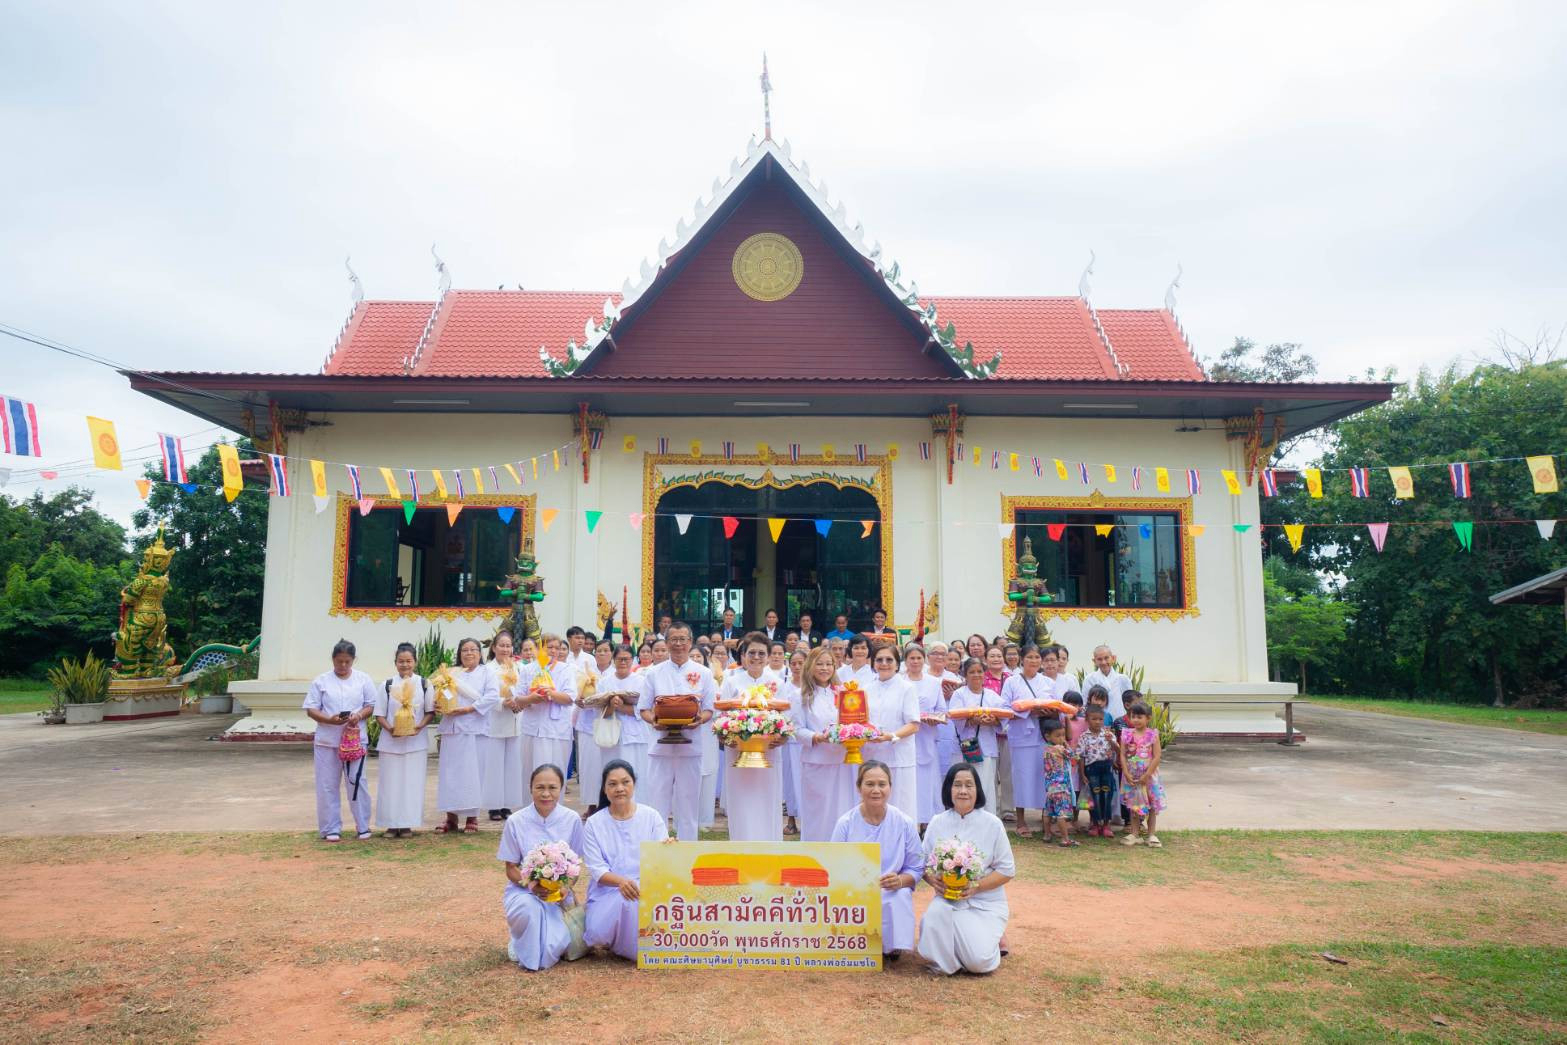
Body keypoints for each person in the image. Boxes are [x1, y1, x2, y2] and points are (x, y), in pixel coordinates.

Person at [917, 763, 1015, 976]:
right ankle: (951, 958)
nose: (963, 791)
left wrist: (976, 886)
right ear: (948, 790)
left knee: (978, 963)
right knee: (935, 917)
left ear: (977, 790)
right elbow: (922, 862)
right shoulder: (937, 822)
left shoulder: (992, 824)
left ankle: (991, 940)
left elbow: (1007, 870)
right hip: (948, 900)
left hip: (985, 904)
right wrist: (933, 880)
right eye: (957, 785)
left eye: (969, 785)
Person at [830, 761, 923, 961]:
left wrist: (899, 880)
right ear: (858, 787)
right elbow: (834, 864)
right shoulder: (845, 824)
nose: (876, 790)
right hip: (854, 889)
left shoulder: (904, 823)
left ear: (890, 787)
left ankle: (893, 947)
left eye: (882, 784)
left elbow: (916, 867)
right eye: (869, 784)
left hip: (891, 887)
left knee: (899, 895)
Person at [498, 764, 585, 971]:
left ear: (561, 789)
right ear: (530, 788)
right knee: (530, 910)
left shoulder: (572, 819)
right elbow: (510, 867)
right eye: (540, 787)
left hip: (559, 895)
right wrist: (532, 885)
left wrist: (564, 887)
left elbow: (576, 866)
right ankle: (520, 940)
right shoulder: (516, 821)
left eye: (553, 788)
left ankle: (528, 941)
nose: (546, 794)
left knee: (558, 943)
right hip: (524, 891)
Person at [582, 759, 668, 960]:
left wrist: (670, 848)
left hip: (647, 886)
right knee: (597, 930)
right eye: (612, 784)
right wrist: (621, 882)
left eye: (625, 782)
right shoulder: (594, 823)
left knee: (631, 902)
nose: (619, 788)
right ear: (604, 789)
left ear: (634, 784)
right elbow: (597, 869)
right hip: (607, 891)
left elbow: (660, 857)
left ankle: (632, 947)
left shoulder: (651, 816)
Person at [637, 623, 716, 840]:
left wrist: (699, 720)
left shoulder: (704, 673)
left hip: (691, 747)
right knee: (657, 803)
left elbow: (710, 709)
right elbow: (643, 708)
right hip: (660, 747)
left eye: (683, 639)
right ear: (667, 642)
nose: (679, 644)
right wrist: (655, 721)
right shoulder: (653, 673)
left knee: (689, 803)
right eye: (674, 639)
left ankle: (687, 852)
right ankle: (656, 849)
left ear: (690, 642)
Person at [303, 639, 378, 842]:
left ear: (353, 660)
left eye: (347, 662)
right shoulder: (321, 681)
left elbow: (371, 705)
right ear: (333, 659)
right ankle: (330, 828)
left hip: (355, 739)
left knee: (357, 782)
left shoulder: (363, 679)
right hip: (327, 740)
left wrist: (358, 716)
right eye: (339, 662)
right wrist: (329, 720)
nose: (343, 666)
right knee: (327, 785)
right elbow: (311, 709)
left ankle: (363, 825)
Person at [719, 633, 786, 841]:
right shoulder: (732, 682)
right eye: (751, 653)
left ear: (768, 657)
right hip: (738, 753)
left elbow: (786, 717)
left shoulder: (776, 683)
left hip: (769, 753)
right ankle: (741, 846)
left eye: (761, 653)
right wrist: (726, 736)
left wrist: (781, 737)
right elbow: (721, 717)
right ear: (743, 655)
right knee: (742, 802)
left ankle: (770, 850)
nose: (756, 657)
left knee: (767, 801)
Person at [791, 645, 857, 841]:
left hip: (842, 760)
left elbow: (853, 720)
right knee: (818, 811)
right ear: (810, 666)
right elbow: (796, 729)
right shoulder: (800, 695)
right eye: (819, 664)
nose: (825, 668)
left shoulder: (844, 693)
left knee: (842, 809)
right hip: (816, 761)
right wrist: (817, 737)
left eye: (829, 664)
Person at [436, 637, 500, 834]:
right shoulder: (451, 673)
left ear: (480, 654)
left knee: (473, 775)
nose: (469, 653)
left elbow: (492, 696)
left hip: (475, 730)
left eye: (473, 649)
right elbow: (442, 693)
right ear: (459, 653)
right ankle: (451, 818)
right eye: (465, 650)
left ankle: (472, 818)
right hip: (453, 729)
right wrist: (441, 704)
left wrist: (467, 710)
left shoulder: (487, 673)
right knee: (451, 775)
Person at [374, 641, 435, 838]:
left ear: (415, 662)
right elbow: (379, 714)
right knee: (390, 784)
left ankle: (407, 823)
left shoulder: (424, 684)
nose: (405, 665)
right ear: (395, 663)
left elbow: (430, 712)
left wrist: (418, 726)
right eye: (401, 661)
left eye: (408, 661)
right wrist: (390, 728)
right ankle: (391, 824)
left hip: (415, 743)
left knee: (412, 783)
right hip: (391, 743)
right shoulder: (387, 685)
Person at [862, 644, 921, 821]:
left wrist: (892, 736)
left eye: (889, 660)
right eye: (879, 660)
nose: (884, 663)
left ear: (897, 664)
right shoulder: (865, 689)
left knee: (901, 808)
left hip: (899, 757)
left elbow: (914, 724)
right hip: (872, 755)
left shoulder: (907, 688)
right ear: (873, 663)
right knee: (874, 807)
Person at [518, 634, 576, 799]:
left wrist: (550, 694)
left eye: (557, 648)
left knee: (556, 771)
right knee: (531, 771)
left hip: (557, 730)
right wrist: (532, 698)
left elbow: (570, 697)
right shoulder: (528, 669)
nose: (553, 651)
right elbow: (518, 698)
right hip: (533, 729)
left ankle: (556, 810)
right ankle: (530, 810)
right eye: (549, 647)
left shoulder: (566, 669)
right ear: (540, 649)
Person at [1000, 644, 1049, 837]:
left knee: (1044, 777)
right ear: (1022, 659)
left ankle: (1046, 819)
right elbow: (1004, 708)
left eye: (1037, 657)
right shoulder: (1012, 682)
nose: (1034, 661)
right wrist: (1028, 711)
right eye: (1030, 657)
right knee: (1021, 778)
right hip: (1021, 736)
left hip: (1043, 734)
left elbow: (1056, 705)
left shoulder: (1046, 682)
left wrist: (1047, 711)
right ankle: (1021, 821)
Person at [949, 657, 1008, 805]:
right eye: (972, 672)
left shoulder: (991, 695)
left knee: (986, 786)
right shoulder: (959, 694)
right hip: (966, 747)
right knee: (965, 785)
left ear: (985, 673)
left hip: (987, 748)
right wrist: (973, 720)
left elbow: (1004, 717)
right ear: (965, 675)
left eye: (979, 671)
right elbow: (955, 717)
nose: (976, 675)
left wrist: (992, 721)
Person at [482, 631, 525, 821]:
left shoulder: (519, 667)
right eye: (502, 645)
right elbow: (484, 696)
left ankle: (507, 803)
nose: (505, 649)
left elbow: (524, 690)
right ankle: (493, 805)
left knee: (512, 765)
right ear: (494, 648)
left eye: (508, 646)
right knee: (494, 765)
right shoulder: (488, 670)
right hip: (496, 722)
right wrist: (502, 702)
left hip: (516, 721)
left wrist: (519, 702)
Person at [903, 644, 944, 831]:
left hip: (926, 738)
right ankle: (908, 824)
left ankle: (927, 825)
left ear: (924, 659)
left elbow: (942, 711)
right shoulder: (899, 681)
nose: (915, 661)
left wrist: (935, 719)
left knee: (927, 783)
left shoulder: (934, 683)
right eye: (912, 658)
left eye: (919, 658)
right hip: (904, 739)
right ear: (906, 660)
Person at [1119, 698, 1166, 847]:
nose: (1136, 720)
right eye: (1133, 716)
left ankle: (1151, 834)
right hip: (1132, 776)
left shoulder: (1153, 735)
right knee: (1134, 806)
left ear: (1148, 718)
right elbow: (1122, 754)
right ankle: (1135, 833)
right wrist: (1125, 772)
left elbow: (1157, 756)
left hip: (1149, 777)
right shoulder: (1126, 734)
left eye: (1140, 717)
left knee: (1151, 805)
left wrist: (1147, 775)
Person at [599, 644, 649, 783]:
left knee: (636, 773)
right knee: (612, 773)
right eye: (620, 659)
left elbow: (645, 710)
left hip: (636, 735)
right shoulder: (604, 682)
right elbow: (600, 712)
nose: (623, 662)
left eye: (627, 659)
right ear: (613, 660)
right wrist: (612, 705)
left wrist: (622, 706)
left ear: (633, 660)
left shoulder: (642, 681)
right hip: (611, 735)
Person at [1076, 704, 1120, 838]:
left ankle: (1106, 825)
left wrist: (1111, 742)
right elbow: (1081, 757)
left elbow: (1118, 750)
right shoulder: (1084, 737)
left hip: (1106, 768)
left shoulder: (1108, 734)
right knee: (1094, 797)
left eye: (1100, 719)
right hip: (1092, 770)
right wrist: (1082, 774)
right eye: (1094, 719)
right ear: (1087, 720)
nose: (1097, 722)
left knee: (1107, 796)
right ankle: (1095, 824)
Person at [781, 647, 807, 836]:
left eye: (801, 663)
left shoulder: (812, 686)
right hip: (789, 741)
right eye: (794, 664)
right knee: (790, 781)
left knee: (805, 782)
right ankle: (791, 820)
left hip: (807, 742)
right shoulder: (784, 687)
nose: (797, 667)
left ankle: (808, 819)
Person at [1041, 719, 1077, 847]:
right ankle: (1065, 838)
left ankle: (1047, 835)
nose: (1062, 738)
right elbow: (1074, 756)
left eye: (1063, 735)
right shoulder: (1059, 748)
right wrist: (1066, 744)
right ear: (1047, 736)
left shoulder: (1046, 749)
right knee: (1061, 813)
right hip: (1061, 787)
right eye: (1058, 735)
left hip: (1050, 787)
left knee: (1048, 811)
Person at [1084, 645, 1131, 722]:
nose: (1103, 662)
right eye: (1099, 659)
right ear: (1094, 661)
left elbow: (1130, 703)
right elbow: (1086, 703)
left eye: (1106, 658)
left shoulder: (1123, 679)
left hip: (1120, 723)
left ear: (1113, 658)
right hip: (1097, 724)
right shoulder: (1089, 679)